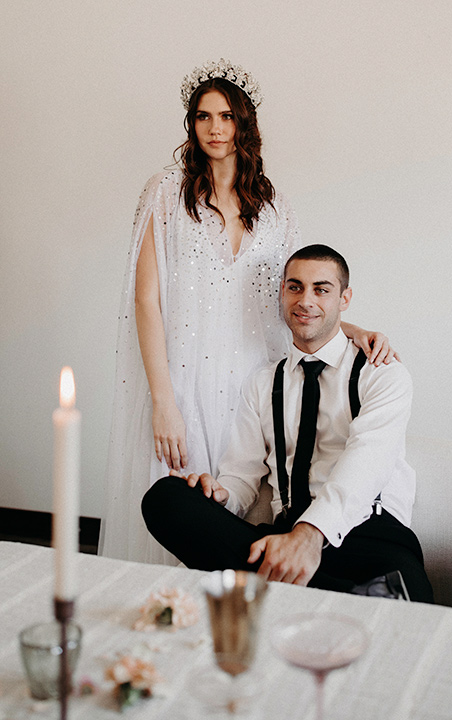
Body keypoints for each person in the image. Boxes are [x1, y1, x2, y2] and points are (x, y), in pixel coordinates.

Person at [100, 60, 396, 565]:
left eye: (226, 116)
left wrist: (352, 329)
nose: (215, 128)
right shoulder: (166, 193)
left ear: (244, 125)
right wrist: (163, 400)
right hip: (184, 384)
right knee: (182, 501)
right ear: (192, 125)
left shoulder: (274, 205)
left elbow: (297, 294)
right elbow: (145, 301)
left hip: (253, 383)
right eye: (203, 116)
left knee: (241, 500)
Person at [142, 244, 433, 602]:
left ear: (345, 298)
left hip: (371, 538)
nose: (305, 300)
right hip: (283, 536)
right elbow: (241, 476)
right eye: (295, 287)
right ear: (282, 293)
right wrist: (220, 496)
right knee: (166, 499)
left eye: (321, 289)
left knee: (411, 591)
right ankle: (352, 599)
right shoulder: (262, 383)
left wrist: (309, 537)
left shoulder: (382, 373)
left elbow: (368, 462)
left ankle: (286, 593)